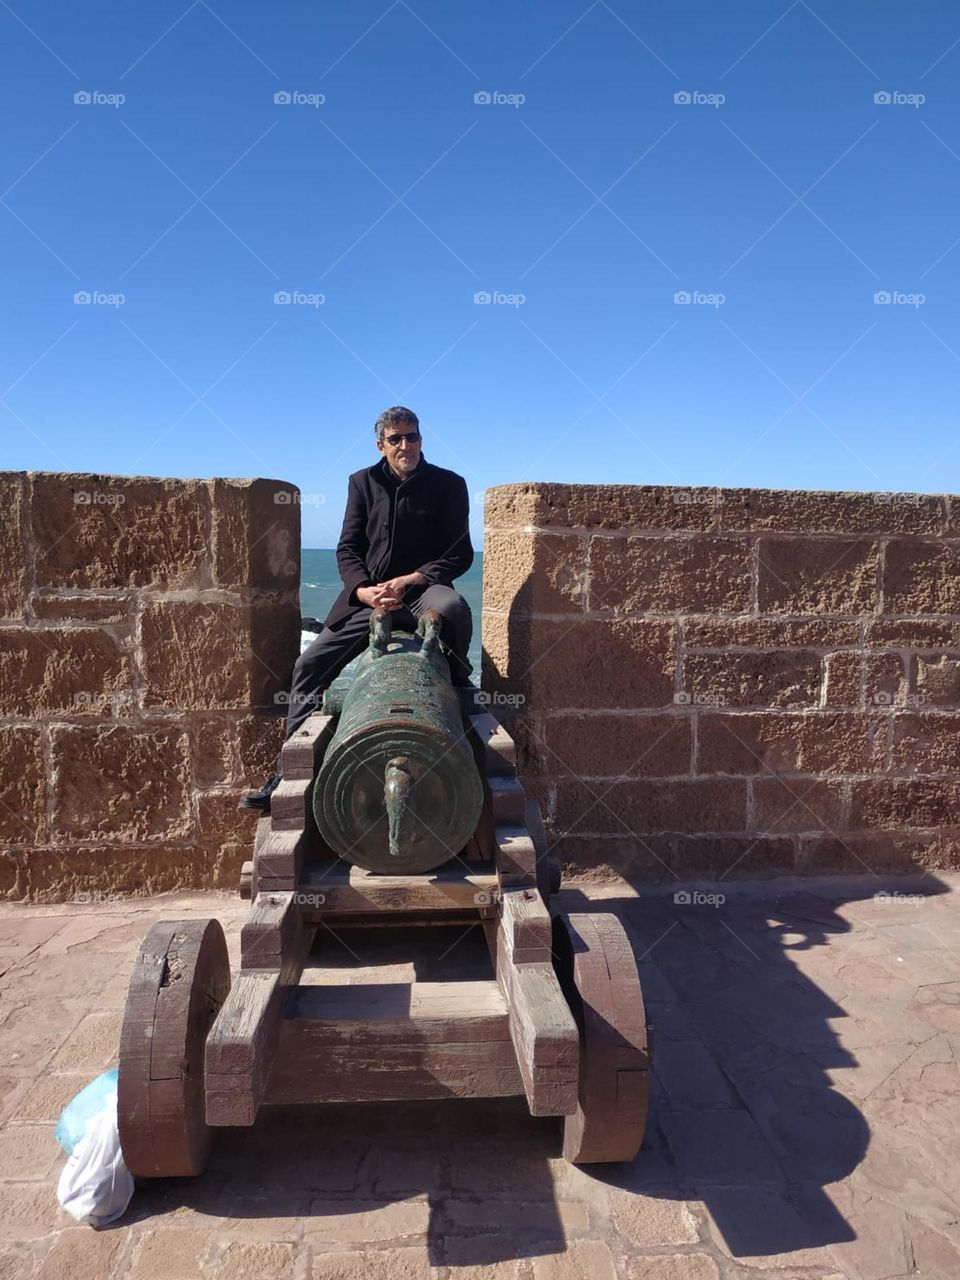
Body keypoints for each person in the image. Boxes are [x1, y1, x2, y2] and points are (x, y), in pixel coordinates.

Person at [240, 406, 474, 811]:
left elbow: (460, 553)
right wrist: (364, 590)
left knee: (452, 606)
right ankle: (288, 771)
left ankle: (456, 679)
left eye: (413, 436)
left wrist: (414, 578)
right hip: (372, 596)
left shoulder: (449, 485)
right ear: (381, 445)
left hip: (421, 590)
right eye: (397, 439)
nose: (407, 445)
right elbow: (348, 547)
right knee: (308, 666)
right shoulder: (362, 483)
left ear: (421, 439)